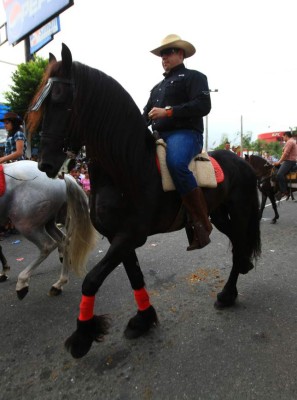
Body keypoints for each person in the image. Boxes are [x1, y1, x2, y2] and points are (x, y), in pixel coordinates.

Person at [143, 34, 212, 250]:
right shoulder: (156, 88)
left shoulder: (194, 77)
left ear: (181, 54)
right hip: (160, 136)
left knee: (175, 163)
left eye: (169, 52)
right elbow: (144, 115)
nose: (164, 57)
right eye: (162, 54)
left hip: (186, 133)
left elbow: (203, 105)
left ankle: (201, 222)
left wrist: (168, 112)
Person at [274, 131, 297, 200]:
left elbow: (285, 154)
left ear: (286, 136)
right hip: (292, 161)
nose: (283, 138)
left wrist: (279, 162)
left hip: (289, 162)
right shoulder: (293, 141)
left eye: (283, 137)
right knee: (275, 169)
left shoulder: (289, 142)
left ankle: (284, 191)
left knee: (279, 174)